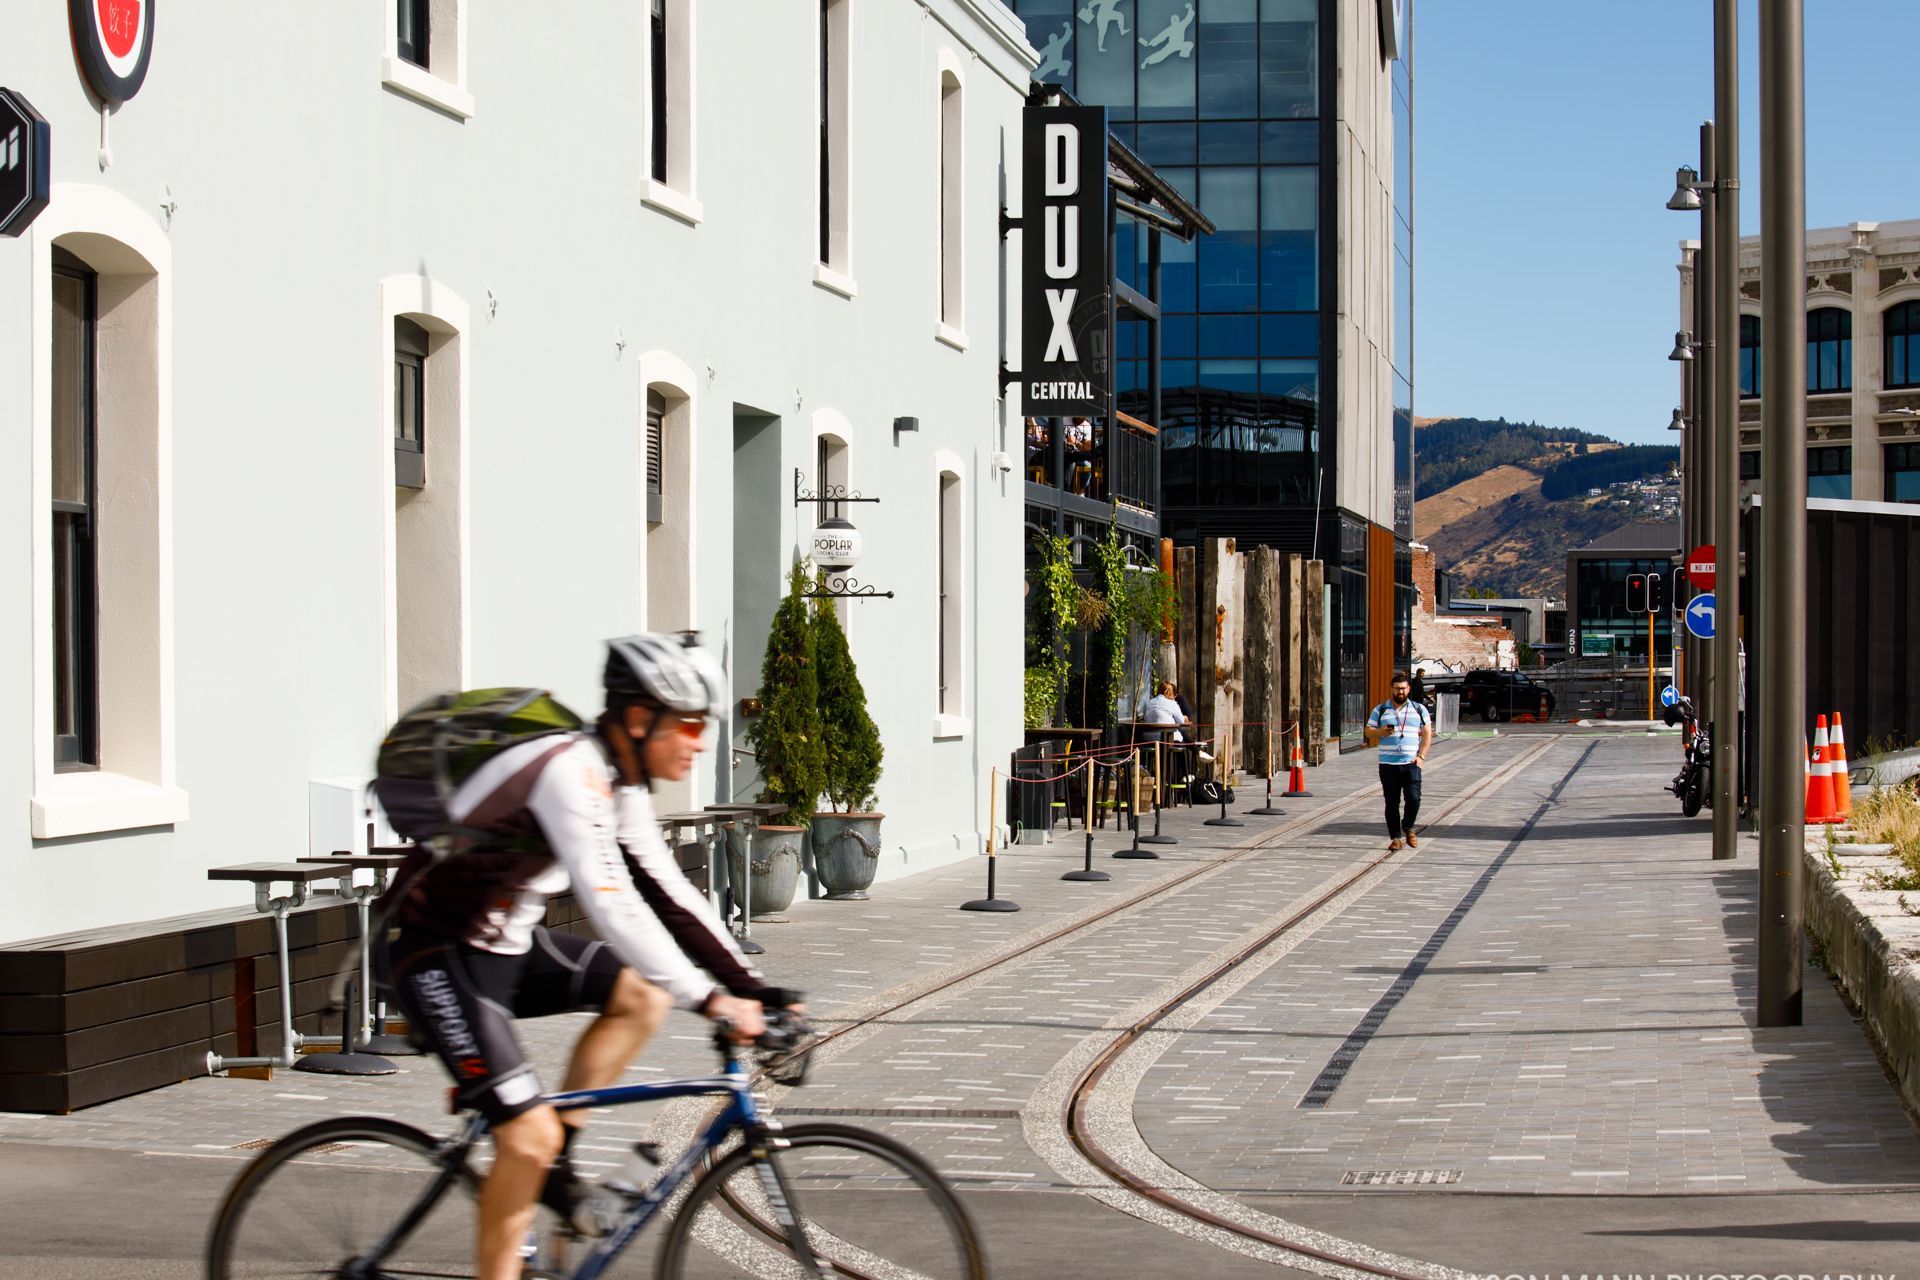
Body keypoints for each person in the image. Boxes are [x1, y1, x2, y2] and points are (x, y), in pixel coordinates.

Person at [377, 634, 799, 1280]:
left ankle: (555, 1169)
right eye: (690, 725)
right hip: (433, 954)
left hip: (505, 948)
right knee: (528, 1136)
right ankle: (536, 1164)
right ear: (641, 718)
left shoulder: (617, 783)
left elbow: (669, 892)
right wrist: (713, 1001)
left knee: (640, 996)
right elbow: (615, 906)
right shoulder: (568, 772)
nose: (699, 742)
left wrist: (755, 988)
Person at [1364, 671, 1433, 850]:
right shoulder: (1380, 710)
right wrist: (1380, 732)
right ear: (1391, 689)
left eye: (1403, 688)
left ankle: (1408, 826)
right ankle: (1395, 837)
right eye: (1397, 689)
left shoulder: (1419, 709)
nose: (1400, 692)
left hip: (1411, 764)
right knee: (1391, 803)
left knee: (1414, 799)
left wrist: (1421, 756)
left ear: (1408, 689)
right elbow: (1368, 731)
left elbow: (1427, 734)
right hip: (1388, 765)